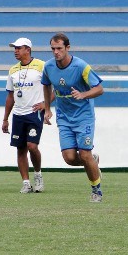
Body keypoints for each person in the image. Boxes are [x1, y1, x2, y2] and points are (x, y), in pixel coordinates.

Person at [42, 33, 104, 202]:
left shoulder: (80, 66)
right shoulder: (48, 67)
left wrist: (83, 94)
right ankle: (93, 160)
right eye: (53, 49)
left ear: (67, 48)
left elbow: (99, 89)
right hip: (64, 117)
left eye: (59, 48)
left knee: (84, 154)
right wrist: (47, 109)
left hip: (84, 117)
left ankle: (96, 190)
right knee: (69, 158)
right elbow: (47, 87)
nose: (56, 52)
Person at [2, 37, 47, 193]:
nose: (15, 51)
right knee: (20, 149)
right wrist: (5, 119)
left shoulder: (42, 66)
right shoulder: (13, 70)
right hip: (18, 114)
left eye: (18, 48)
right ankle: (26, 182)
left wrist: (45, 105)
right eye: (14, 48)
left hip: (35, 113)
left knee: (32, 146)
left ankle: (38, 175)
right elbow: (10, 96)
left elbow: (52, 90)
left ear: (28, 49)